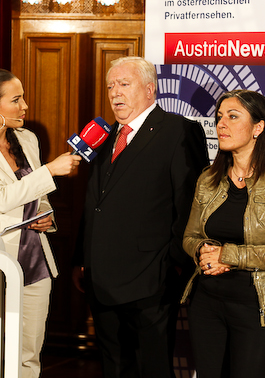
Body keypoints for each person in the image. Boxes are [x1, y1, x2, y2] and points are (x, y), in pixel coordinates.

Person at [72, 56, 209, 377]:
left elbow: (190, 202)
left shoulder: (178, 130)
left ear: (149, 90)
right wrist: (82, 257)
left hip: (152, 279)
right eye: (110, 86)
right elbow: (94, 203)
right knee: (114, 366)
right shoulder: (104, 137)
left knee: (153, 367)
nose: (115, 93)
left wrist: (175, 264)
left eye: (124, 84)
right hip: (100, 277)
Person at [0, 68, 81, 378]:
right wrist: (51, 170)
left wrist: (46, 215)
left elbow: (37, 194)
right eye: (16, 100)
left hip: (34, 258)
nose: (25, 106)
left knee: (28, 354)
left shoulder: (27, 138)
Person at [181, 89, 265, 378]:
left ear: (258, 127)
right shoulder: (208, 178)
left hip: (260, 309)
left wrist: (228, 256)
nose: (221, 124)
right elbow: (189, 237)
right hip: (206, 306)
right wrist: (203, 251)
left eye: (232, 116)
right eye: (219, 117)